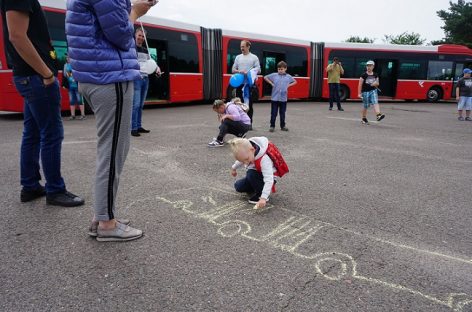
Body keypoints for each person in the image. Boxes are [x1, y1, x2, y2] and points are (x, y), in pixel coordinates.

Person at [66, 0, 157, 241]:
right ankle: (107, 223)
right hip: (109, 76)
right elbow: (120, 34)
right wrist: (136, 10)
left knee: (109, 148)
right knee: (113, 151)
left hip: (96, 74)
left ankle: (102, 215)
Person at [1, 0, 84, 207]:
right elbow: (17, 36)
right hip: (37, 78)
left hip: (30, 77)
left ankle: (30, 186)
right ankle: (55, 190)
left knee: (33, 132)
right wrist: (46, 74)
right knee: (52, 134)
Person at [229, 137, 288, 209]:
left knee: (250, 173)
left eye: (247, 159)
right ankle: (255, 186)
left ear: (252, 150)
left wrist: (263, 198)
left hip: (267, 179)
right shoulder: (248, 153)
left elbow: (269, 179)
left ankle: (260, 194)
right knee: (238, 186)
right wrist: (233, 168)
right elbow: (241, 160)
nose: (246, 163)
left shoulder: (264, 159)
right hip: (255, 177)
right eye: (243, 161)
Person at [131, 27, 161, 137]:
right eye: (139, 35)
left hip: (146, 78)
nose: (141, 38)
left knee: (141, 105)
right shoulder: (130, 48)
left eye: (143, 36)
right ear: (135, 35)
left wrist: (157, 69)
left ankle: (138, 126)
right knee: (136, 104)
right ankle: (133, 128)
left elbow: (151, 63)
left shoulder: (145, 50)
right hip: (137, 79)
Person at [231, 40, 261, 126]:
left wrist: (249, 72)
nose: (241, 48)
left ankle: (249, 123)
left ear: (248, 47)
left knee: (249, 105)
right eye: (241, 47)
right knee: (239, 104)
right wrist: (239, 71)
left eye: (243, 47)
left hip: (250, 85)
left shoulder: (254, 57)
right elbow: (233, 70)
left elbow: (259, 70)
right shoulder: (238, 57)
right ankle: (241, 122)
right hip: (239, 84)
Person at [264, 61, 297, 132]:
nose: (280, 70)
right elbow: (265, 77)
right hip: (274, 98)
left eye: (282, 69)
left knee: (282, 113)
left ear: (285, 69)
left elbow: (295, 81)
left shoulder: (288, 77)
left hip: (283, 99)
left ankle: (283, 126)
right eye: (279, 69)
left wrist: (288, 85)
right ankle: (272, 126)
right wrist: (271, 83)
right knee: (273, 113)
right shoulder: (274, 75)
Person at [358, 60, 385, 125]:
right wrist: (359, 93)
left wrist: (375, 84)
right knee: (366, 106)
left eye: (370, 66)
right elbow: (360, 84)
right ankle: (364, 118)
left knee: (375, 102)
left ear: (373, 66)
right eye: (367, 66)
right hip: (365, 92)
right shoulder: (363, 75)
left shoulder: (375, 75)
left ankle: (378, 115)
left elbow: (377, 83)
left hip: (373, 91)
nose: (368, 67)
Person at [63, 55, 85, 120]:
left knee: (80, 100)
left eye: (69, 57)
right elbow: (64, 75)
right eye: (67, 57)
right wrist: (64, 84)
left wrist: (72, 75)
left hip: (77, 85)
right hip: (70, 86)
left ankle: (82, 115)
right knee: (71, 101)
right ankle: (73, 115)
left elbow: (79, 73)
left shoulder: (76, 64)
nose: (68, 58)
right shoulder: (65, 66)